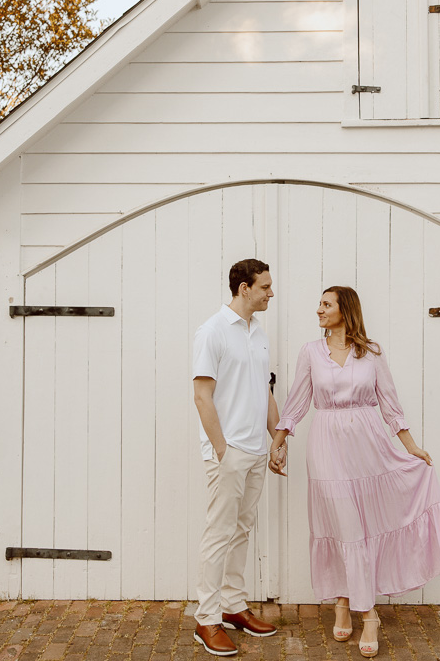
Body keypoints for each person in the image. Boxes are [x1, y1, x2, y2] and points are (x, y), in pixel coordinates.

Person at [269, 286, 440, 658]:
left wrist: (411, 448)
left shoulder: (371, 352)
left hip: (368, 446)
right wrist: (278, 443)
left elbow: (390, 404)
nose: (319, 310)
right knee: (343, 525)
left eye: (326, 304)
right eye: (320, 304)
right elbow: (295, 403)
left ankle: (346, 601)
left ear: (346, 310)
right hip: (326, 445)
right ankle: (366, 612)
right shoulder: (311, 351)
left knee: (358, 526)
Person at [192, 258, 283, 656]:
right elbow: (202, 395)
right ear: (244, 288)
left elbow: (264, 391)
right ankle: (207, 619)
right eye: (265, 286)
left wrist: (277, 442)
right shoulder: (212, 332)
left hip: (257, 451)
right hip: (228, 453)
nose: (271, 293)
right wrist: (221, 449)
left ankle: (232, 605)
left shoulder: (258, 332)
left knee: (242, 531)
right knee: (218, 534)